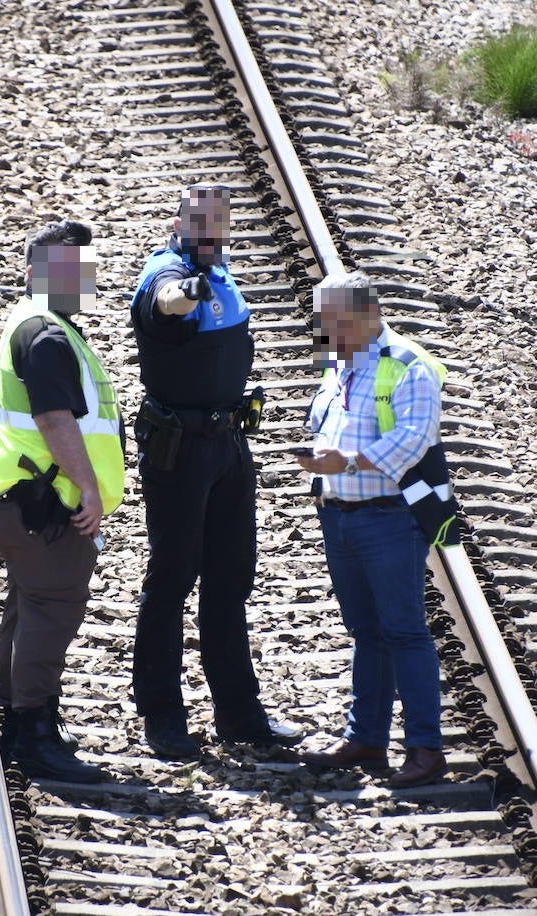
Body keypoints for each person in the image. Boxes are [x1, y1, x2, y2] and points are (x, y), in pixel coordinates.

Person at [128, 184, 301, 759]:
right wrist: (184, 293)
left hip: (228, 446)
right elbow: (164, 304)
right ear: (176, 223)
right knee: (172, 578)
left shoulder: (221, 274)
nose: (208, 231)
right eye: (198, 221)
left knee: (230, 581)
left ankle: (239, 713)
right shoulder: (167, 273)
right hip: (179, 450)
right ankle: (162, 715)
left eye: (217, 222)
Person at [294, 271, 461, 789]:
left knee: (404, 631)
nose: (322, 329)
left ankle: (425, 749)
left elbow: (412, 443)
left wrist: (342, 462)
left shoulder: (409, 367)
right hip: (340, 516)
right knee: (366, 632)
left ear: (366, 316)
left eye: (331, 320)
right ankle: (365, 737)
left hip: (388, 518)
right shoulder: (341, 360)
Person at [0, 218, 124, 784]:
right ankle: (33, 731)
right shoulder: (46, 334)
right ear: (35, 273)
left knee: (28, 606)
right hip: (45, 499)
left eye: (83, 268)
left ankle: (18, 719)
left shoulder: (41, 325)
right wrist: (87, 487)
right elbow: (55, 420)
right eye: (67, 269)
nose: (79, 278)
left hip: (21, 495)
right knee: (51, 609)